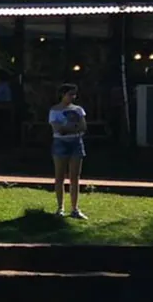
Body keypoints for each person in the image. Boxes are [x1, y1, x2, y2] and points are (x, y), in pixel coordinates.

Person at [49, 84, 88, 219]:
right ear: (63, 94)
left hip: (76, 143)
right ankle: (60, 208)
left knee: (74, 177)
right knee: (59, 176)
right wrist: (72, 128)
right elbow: (57, 129)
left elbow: (83, 127)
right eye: (70, 94)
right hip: (60, 143)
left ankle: (75, 209)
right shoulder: (55, 110)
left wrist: (69, 129)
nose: (72, 97)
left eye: (74, 94)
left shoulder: (78, 110)